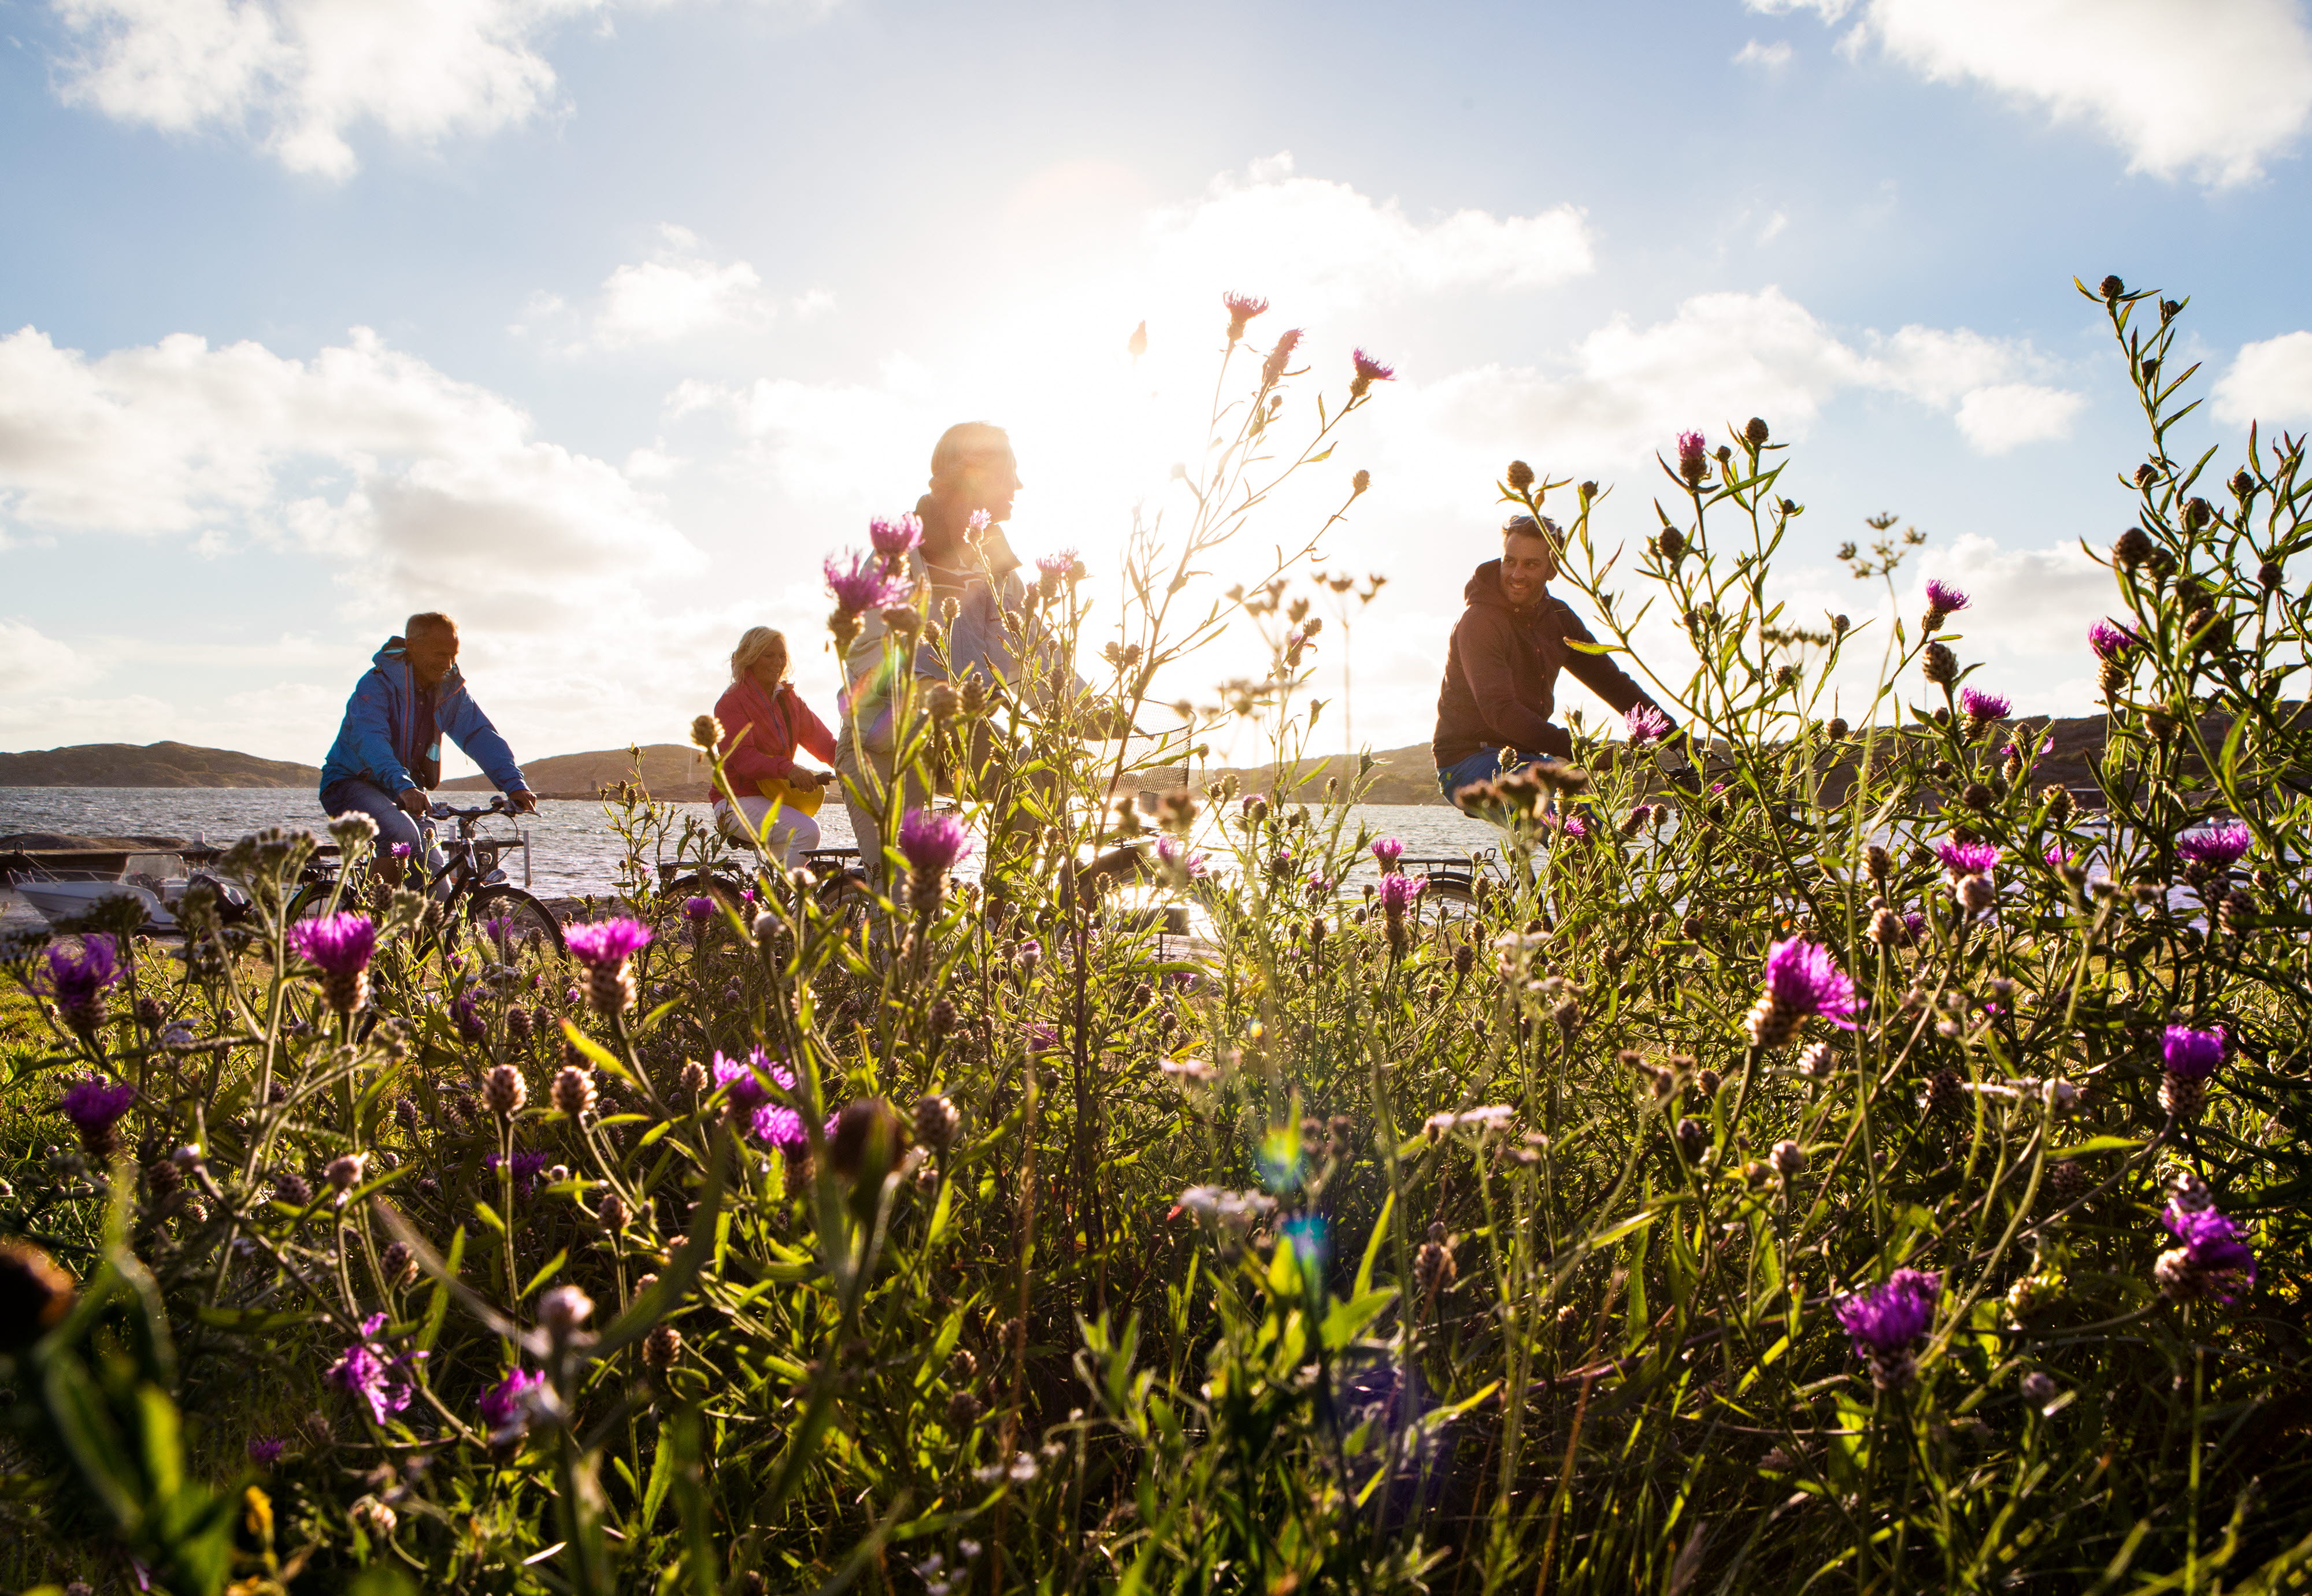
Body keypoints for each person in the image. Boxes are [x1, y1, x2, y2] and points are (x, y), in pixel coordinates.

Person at [835, 421, 1093, 869]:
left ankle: (1000, 919)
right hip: (885, 742)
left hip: (960, 736)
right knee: (903, 895)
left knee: (1039, 782)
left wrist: (1087, 706)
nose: (1019, 483)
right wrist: (934, 692)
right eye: (1009, 470)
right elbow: (868, 653)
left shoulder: (1000, 572)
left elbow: (1035, 652)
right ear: (969, 471)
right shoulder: (894, 558)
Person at [1433, 514, 1673, 811]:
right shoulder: (1480, 621)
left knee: (1591, 823)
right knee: (1573, 822)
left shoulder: (1558, 617)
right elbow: (1500, 711)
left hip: (1528, 757)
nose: (1516, 574)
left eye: (1531, 565)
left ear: (1553, 569)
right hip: (1468, 761)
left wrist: (1674, 737)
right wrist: (1584, 752)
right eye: (1510, 561)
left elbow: (1611, 682)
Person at [319, 612, 535, 855]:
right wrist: (404, 786)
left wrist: (514, 784)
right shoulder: (377, 684)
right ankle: (377, 895)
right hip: (349, 784)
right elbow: (370, 740)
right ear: (412, 646)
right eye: (440, 654)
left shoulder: (450, 692)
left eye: (453, 656)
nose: (448, 664)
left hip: (404, 791)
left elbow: (479, 736)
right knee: (401, 834)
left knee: (436, 885)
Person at [712, 626, 839, 866]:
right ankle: (786, 902)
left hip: (776, 798)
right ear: (750, 658)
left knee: (780, 868)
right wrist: (789, 769)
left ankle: (771, 897)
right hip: (736, 800)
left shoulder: (790, 700)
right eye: (768, 655)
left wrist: (856, 764)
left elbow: (824, 743)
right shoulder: (732, 702)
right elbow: (744, 759)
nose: (777, 662)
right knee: (807, 832)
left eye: (781, 656)